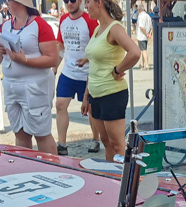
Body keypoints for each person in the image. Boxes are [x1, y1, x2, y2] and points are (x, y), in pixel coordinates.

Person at [0, 0, 59, 153]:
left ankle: (51, 170)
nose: (6, 4)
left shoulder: (40, 25)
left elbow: (53, 59)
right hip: (12, 85)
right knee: (19, 132)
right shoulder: (7, 25)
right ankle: (26, 168)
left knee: (41, 133)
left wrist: (24, 60)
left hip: (34, 85)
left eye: (9, 1)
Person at [80, 0, 140, 160]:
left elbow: (135, 52)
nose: (85, 7)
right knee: (106, 142)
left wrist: (118, 69)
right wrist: (86, 96)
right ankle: (111, 179)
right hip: (95, 95)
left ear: (99, 2)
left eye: (87, 2)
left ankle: (123, 183)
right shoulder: (98, 29)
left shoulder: (114, 28)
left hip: (112, 94)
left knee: (117, 145)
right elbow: (94, 64)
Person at [54, 0, 101, 156]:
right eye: (66, 1)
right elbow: (60, 46)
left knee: (90, 110)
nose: (69, 3)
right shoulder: (63, 20)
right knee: (60, 104)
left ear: (80, 1)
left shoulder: (89, 20)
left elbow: (98, 45)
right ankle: (62, 144)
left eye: (73, 0)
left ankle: (95, 139)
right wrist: (55, 67)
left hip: (86, 73)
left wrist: (88, 60)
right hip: (68, 72)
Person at [135, 2, 152, 71]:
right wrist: (149, 34)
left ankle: (147, 65)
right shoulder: (148, 16)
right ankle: (142, 64)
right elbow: (151, 27)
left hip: (142, 36)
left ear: (139, 10)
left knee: (144, 50)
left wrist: (146, 34)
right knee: (143, 50)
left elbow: (141, 27)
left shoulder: (141, 16)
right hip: (146, 36)